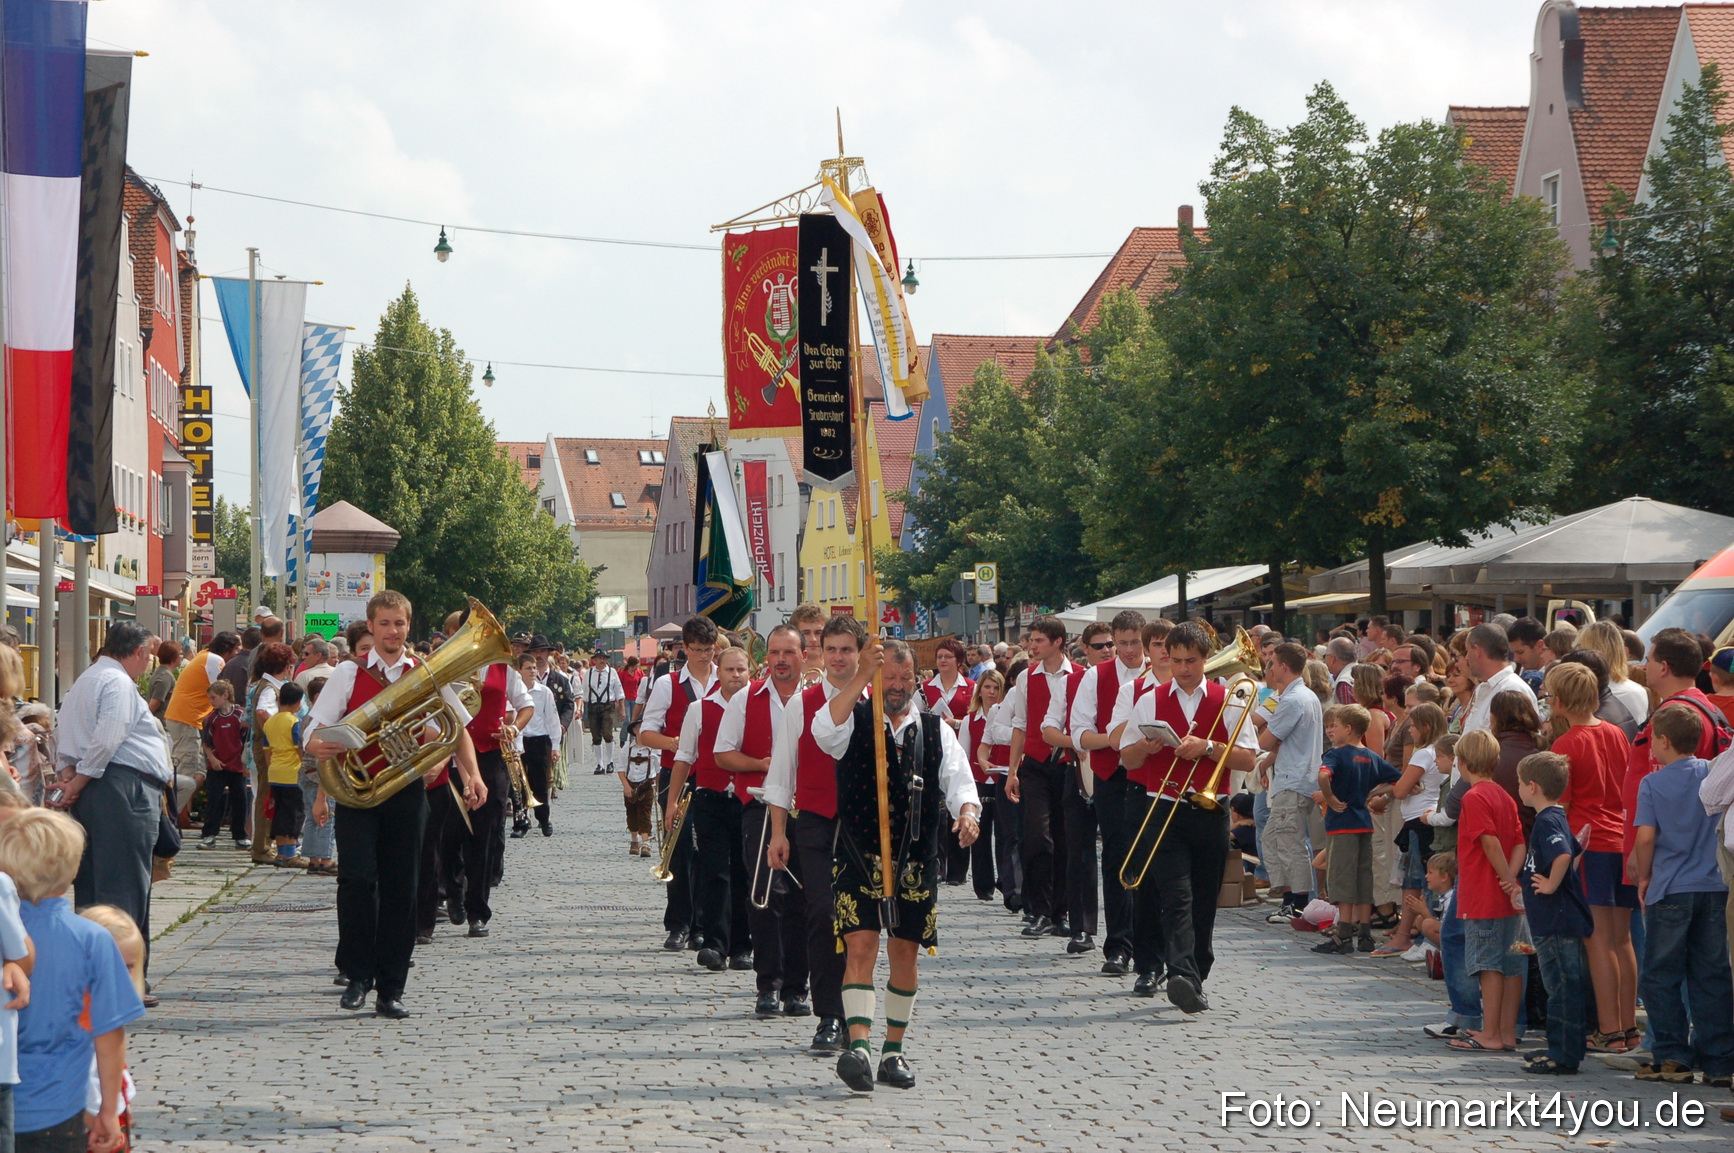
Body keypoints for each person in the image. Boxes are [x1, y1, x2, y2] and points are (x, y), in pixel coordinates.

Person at [303, 590, 486, 1019]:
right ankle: (357, 974)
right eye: (384, 624)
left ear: (409, 626)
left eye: (399, 624)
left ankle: (391, 986)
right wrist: (315, 743)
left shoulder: (425, 672)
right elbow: (316, 725)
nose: (392, 631)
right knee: (357, 882)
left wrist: (472, 774)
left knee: (403, 888)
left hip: (405, 792)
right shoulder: (348, 674)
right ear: (371, 626)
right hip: (358, 793)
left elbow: (456, 727)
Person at [811, 637, 980, 1092]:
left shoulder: (935, 729)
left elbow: (961, 780)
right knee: (860, 947)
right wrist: (863, 673)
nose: (899, 686)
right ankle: (859, 1049)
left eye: (907, 678)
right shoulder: (852, 718)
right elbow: (822, 731)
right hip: (858, 855)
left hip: (916, 860)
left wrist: (967, 813)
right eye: (891, 677)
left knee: (904, 953)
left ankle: (893, 1051)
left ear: (917, 680)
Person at [1118, 622, 1257, 1012]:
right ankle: (1181, 974)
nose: (1182, 669)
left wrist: (1209, 747)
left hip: (1211, 810)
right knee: (1175, 896)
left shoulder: (1230, 699)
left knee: (1203, 899)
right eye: (1176, 660)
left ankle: (1195, 972)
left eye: (1191, 661)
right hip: (1161, 806)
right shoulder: (1150, 698)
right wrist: (1145, 747)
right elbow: (1126, 758)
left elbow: (1248, 757)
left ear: (1205, 659)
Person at [0, 809, 141, 1153]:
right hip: (59, 1107)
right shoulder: (92, 939)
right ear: (73, 868)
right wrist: (108, 1109)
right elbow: (109, 1033)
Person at [763, 614, 864, 1054]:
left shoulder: (876, 701)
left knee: (860, 925)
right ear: (820, 653)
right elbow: (782, 774)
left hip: (863, 828)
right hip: (817, 823)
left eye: (847, 650)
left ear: (860, 655)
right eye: (832, 649)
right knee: (823, 916)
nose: (839, 658)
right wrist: (778, 833)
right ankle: (828, 1014)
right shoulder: (800, 705)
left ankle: (856, 1014)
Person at [46, 623, 172, 958]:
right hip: (121, 787)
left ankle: (97, 971)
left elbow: (64, 736)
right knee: (123, 886)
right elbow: (107, 738)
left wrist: (70, 777)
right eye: (149, 656)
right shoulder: (117, 682)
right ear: (139, 652)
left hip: (98, 786)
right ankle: (120, 977)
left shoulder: (87, 680)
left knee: (94, 884)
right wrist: (78, 780)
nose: (148, 664)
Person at [1629, 704, 1734, 1085]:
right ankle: (1721, 1060)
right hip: (1713, 885)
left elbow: (1645, 836)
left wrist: (1644, 874)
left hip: (1671, 885)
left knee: (1661, 974)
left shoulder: (1653, 783)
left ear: (1664, 741)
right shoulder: (1712, 770)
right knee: (1712, 974)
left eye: (1654, 739)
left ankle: (1673, 1055)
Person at [715, 625, 810, 1019]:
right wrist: (761, 765)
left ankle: (796, 988)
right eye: (774, 653)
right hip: (758, 807)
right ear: (765, 658)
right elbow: (723, 753)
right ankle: (767, 984)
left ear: (804, 655)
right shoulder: (746, 698)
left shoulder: (819, 698)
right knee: (765, 897)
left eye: (789, 652)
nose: (781, 660)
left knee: (804, 901)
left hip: (809, 810)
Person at [1543, 661, 1638, 1054]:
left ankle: (1609, 1029)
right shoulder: (1616, 732)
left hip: (1589, 842)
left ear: (1562, 700)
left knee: (1597, 939)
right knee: (1623, 938)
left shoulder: (1566, 744)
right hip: (1620, 839)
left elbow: (1561, 801)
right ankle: (1628, 1025)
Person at [667, 646, 755, 974]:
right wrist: (673, 801)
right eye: (729, 670)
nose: (735, 676)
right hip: (710, 799)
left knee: (744, 873)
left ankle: (743, 946)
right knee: (714, 871)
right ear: (718, 672)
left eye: (741, 670)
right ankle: (715, 944)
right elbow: (684, 757)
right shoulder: (699, 709)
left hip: (748, 800)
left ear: (750, 672)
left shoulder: (758, 707)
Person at [1068, 610, 1148, 968]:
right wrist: (1116, 740)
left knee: (1150, 857)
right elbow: (1079, 732)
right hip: (1112, 775)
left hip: (1151, 776)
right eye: (1122, 643)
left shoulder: (1159, 674)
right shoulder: (1095, 677)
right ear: (1113, 641)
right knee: (1117, 854)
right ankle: (1118, 944)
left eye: (1135, 642)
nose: (1129, 650)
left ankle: (1149, 942)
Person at [442, 627, 533, 935]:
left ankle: (477, 910)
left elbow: (526, 705)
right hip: (451, 756)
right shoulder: (448, 665)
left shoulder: (504, 669)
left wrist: (514, 729)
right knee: (449, 833)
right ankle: (452, 893)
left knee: (484, 835)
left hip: (492, 755)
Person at [638, 617, 719, 953]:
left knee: (710, 852)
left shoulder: (726, 679)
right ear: (684, 648)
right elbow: (645, 733)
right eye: (696, 650)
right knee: (678, 848)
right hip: (677, 775)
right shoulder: (668, 684)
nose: (702, 656)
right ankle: (678, 923)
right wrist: (675, 744)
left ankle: (704, 924)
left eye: (708, 650)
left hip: (715, 775)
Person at [1447, 728, 1527, 1053]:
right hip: (1508, 897)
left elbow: (1488, 841)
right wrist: (1513, 879)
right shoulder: (1505, 796)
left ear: (1463, 763)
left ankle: (1490, 1031)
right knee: (1512, 965)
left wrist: (1505, 876)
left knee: (1487, 964)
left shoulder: (1474, 796)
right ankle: (1507, 1032)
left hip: (1483, 894)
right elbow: (1520, 842)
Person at [1515, 752, 1593, 1075]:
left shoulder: (1547, 820)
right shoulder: (1555, 817)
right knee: (1562, 987)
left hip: (1556, 922)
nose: (1518, 788)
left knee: (1561, 988)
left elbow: (1561, 854)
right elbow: (1572, 851)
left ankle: (1562, 1054)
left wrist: (1548, 885)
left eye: (1520, 783)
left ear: (1532, 786)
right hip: (1552, 921)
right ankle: (1561, 1048)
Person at [1003, 616, 1076, 940]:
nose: (1032, 646)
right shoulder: (1026, 678)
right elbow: (1020, 722)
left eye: (1038, 641)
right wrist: (1013, 769)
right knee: (1037, 836)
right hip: (1034, 764)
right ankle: (1040, 909)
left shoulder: (1080, 676)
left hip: (1067, 764)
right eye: (1031, 640)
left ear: (1057, 642)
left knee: (1064, 840)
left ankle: (1061, 911)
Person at [1311, 705, 1402, 955]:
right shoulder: (1372, 757)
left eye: (1334, 726)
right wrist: (1375, 792)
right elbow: (1399, 780)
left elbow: (1323, 777)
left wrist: (1329, 798)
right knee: (1364, 880)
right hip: (1364, 823)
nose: (1330, 730)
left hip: (1341, 825)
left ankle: (1343, 934)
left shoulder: (1336, 755)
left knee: (1342, 880)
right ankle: (1365, 934)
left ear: (1348, 729)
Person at [1253, 641, 1323, 925]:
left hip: (1294, 780)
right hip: (1295, 776)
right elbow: (1283, 742)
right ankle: (1288, 898)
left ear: (1283, 666)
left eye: (1272, 663)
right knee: (1273, 838)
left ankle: (1297, 903)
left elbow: (1266, 739)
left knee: (1290, 843)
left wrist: (1255, 729)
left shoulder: (1293, 699)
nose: (1268, 668)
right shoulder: (1302, 695)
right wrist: (1268, 762)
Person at [921, 639, 975, 888]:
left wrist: (954, 722)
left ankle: (958, 869)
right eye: (940, 656)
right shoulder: (924, 688)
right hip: (934, 754)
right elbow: (914, 716)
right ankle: (939, 863)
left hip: (962, 751)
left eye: (948, 657)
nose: (942, 661)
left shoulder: (972, 687)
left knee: (960, 806)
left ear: (959, 661)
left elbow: (979, 720)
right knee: (938, 811)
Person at [963, 670, 1009, 907]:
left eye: (996, 688)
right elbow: (964, 754)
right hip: (979, 782)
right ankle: (983, 885)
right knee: (980, 837)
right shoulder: (970, 720)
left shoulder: (1008, 716)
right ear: (979, 690)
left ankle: (1005, 881)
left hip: (1002, 779)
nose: (991, 692)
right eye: (987, 687)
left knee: (1004, 834)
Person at [196, 681, 251, 850]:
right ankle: (209, 834)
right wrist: (212, 759)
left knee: (240, 799)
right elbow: (206, 742)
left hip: (236, 765)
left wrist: (245, 763)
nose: (211, 701)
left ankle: (240, 836)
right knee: (214, 799)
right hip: (218, 765)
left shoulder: (239, 715)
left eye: (213, 697)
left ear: (225, 696)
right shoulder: (212, 718)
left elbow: (246, 739)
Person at [264, 682, 309, 868]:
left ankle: (280, 851)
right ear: (298, 703)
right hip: (292, 773)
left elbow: (267, 751)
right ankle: (291, 854)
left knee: (279, 813)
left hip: (275, 772)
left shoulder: (269, 722)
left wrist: (271, 769)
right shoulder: (294, 722)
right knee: (294, 814)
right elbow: (299, 749)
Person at [1462, 623, 1537, 734]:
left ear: (1477, 650)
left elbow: (1518, 745)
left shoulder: (1513, 690)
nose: (1467, 657)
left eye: (1467, 650)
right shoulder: (1485, 687)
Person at [518, 651, 562, 837]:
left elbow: (552, 719)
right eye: (528, 668)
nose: (533, 671)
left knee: (540, 782)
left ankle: (544, 819)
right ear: (518, 670)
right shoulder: (514, 690)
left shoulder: (544, 692)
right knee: (519, 784)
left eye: (535, 667)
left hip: (538, 739)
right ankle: (520, 822)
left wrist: (555, 746)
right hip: (519, 739)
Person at [580, 650, 626, 776]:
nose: (601, 660)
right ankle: (599, 763)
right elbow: (583, 692)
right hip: (593, 707)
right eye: (598, 658)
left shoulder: (612, 672)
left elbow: (619, 691)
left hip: (608, 706)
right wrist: (581, 709)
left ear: (606, 660)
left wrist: (622, 709)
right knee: (595, 736)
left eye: (603, 658)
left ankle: (610, 761)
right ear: (594, 660)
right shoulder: (588, 673)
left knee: (607, 733)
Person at [1506, 617, 1549, 692]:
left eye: (1520, 652)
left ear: (1540, 646)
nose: (1515, 659)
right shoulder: (1514, 674)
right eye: (1513, 653)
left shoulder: (1555, 681)